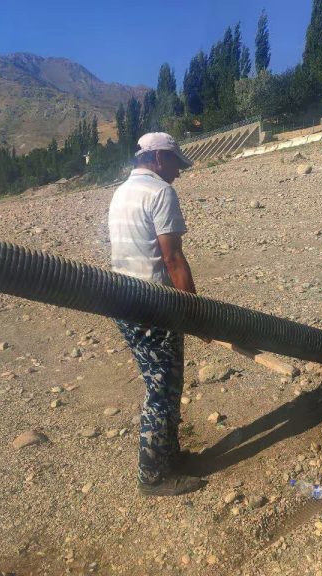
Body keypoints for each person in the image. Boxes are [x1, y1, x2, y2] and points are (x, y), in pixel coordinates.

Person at [108, 132, 205, 496]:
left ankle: (167, 456)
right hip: (152, 305)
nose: (178, 173)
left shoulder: (121, 192)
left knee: (161, 381)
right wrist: (197, 314)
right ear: (159, 158)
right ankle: (153, 476)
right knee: (162, 390)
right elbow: (173, 259)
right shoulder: (160, 192)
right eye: (176, 164)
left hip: (122, 301)